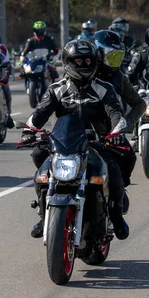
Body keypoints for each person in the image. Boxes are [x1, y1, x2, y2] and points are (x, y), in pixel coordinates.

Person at [21, 39, 130, 240]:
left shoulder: (103, 88)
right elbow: (40, 112)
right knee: (40, 165)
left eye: (87, 61)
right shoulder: (57, 89)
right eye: (78, 61)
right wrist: (30, 130)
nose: (83, 65)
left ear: (95, 62)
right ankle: (44, 215)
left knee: (112, 171)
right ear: (68, 61)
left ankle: (116, 216)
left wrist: (116, 133)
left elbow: (115, 112)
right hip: (63, 143)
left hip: (96, 142)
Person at [93, 30, 146, 213]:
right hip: (77, 131)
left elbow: (139, 104)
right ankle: (46, 212)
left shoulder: (118, 77)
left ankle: (118, 195)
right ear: (97, 53)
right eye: (111, 56)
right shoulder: (81, 72)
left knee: (129, 157)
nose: (114, 62)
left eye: (117, 57)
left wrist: (126, 124)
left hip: (110, 132)